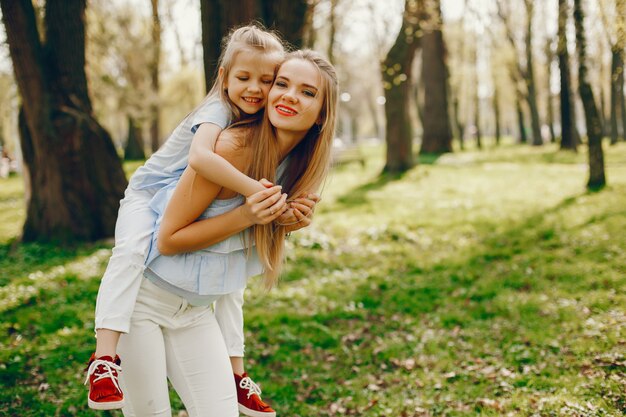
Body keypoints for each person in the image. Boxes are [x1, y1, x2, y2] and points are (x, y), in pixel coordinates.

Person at [116, 49, 338, 417]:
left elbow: (237, 245)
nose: (289, 96)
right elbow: (168, 240)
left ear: (322, 115)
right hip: (143, 304)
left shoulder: (296, 169)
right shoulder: (231, 149)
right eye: (282, 83)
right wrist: (247, 215)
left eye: (308, 92)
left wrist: (285, 223)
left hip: (197, 310)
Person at [85, 25, 288, 415]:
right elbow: (200, 158)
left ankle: (235, 373)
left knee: (233, 281)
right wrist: (252, 190)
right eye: (244, 78)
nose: (255, 89)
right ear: (224, 78)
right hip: (149, 194)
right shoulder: (216, 109)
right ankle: (105, 358)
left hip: (187, 267)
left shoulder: (258, 124)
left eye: (267, 80)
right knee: (129, 252)